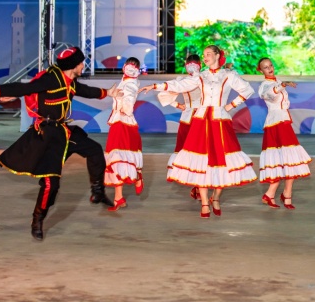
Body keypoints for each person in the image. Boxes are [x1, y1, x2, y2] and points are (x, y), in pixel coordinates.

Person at [0, 47, 118, 240]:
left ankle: (98, 192)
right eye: (81, 63)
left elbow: (85, 90)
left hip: (64, 131)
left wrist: (107, 92)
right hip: (48, 135)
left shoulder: (70, 81)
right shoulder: (51, 79)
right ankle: (37, 220)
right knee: (51, 185)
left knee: (94, 150)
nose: (83, 66)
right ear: (73, 66)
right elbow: (23, 88)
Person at [140, 45, 257, 218]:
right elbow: (179, 85)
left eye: (208, 54)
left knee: (223, 160)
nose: (205, 57)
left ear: (217, 55)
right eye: (204, 55)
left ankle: (215, 198)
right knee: (199, 161)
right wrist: (156, 85)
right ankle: (204, 203)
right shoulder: (200, 76)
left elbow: (248, 90)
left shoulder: (229, 75)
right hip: (201, 120)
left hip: (220, 121)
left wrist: (231, 105)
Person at [256, 57, 311, 209]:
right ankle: (273, 194)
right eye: (265, 67)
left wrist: (282, 84)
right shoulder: (264, 86)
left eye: (270, 65)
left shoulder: (278, 81)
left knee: (289, 159)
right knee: (280, 159)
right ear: (261, 71)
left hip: (283, 121)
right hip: (275, 123)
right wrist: (282, 85)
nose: (269, 68)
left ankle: (284, 193)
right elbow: (269, 95)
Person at [155, 54, 203, 201]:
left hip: (189, 117)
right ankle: (199, 185)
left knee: (189, 151)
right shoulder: (203, 79)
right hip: (200, 117)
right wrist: (178, 104)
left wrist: (178, 105)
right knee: (200, 152)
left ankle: (196, 185)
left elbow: (164, 94)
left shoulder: (184, 81)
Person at [104, 57, 144, 211]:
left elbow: (129, 101)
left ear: (137, 70)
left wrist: (125, 108)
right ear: (124, 67)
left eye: (134, 67)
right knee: (115, 159)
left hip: (124, 123)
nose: (130, 68)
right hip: (117, 122)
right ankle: (118, 197)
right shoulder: (124, 81)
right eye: (129, 65)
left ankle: (137, 176)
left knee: (118, 157)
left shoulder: (131, 83)